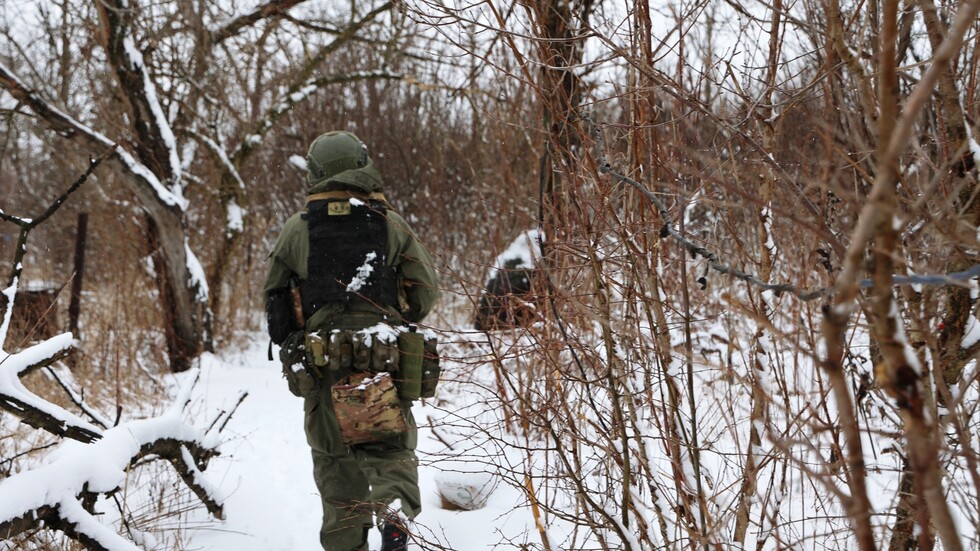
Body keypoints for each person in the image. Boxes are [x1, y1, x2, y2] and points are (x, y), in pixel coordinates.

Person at [264, 130, 439, 551]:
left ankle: (346, 542)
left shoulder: (297, 229)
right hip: (383, 357)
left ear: (317, 172)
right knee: (389, 443)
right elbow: (425, 290)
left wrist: (297, 339)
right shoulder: (390, 224)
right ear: (362, 165)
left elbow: (276, 304)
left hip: (323, 363)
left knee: (333, 458)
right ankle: (393, 506)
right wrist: (393, 320)